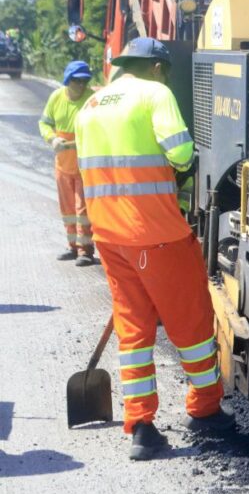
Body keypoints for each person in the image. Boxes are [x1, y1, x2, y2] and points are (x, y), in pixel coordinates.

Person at [74, 37, 233, 461]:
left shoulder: (89, 107)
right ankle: (205, 408)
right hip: (156, 234)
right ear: (158, 68)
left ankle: (141, 427)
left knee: (134, 331)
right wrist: (181, 165)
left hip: (109, 236)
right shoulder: (155, 93)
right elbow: (181, 152)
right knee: (192, 324)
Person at [39, 61, 95, 266]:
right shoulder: (56, 97)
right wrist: (52, 138)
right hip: (63, 165)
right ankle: (72, 246)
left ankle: (86, 250)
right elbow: (44, 122)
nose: (81, 85)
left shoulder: (92, 100)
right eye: (77, 81)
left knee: (83, 210)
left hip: (84, 166)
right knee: (68, 209)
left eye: (85, 81)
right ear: (67, 80)